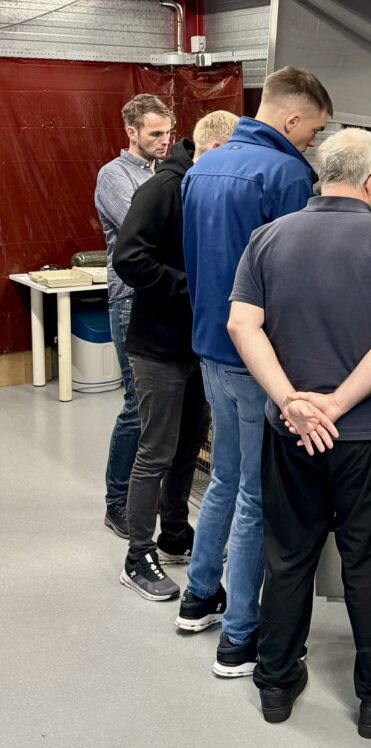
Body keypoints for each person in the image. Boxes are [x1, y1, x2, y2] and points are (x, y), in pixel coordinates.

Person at [227, 128, 371, 737]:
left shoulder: (270, 237)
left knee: (287, 559)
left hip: (290, 436)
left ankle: (276, 684)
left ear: (321, 175)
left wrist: (292, 403)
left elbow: (241, 325)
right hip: (368, 438)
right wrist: (335, 406)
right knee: (369, 565)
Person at [178, 68, 332, 675]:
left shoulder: (202, 167)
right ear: (291, 120)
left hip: (210, 348)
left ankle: (198, 597)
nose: (314, 144)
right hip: (259, 357)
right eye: (314, 132)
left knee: (223, 478)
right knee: (254, 495)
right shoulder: (288, 175)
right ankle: (240, 635)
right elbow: (295, 279)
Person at [113, 113, 237, 602]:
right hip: (158, 347)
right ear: (210, 148)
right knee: (156, 450)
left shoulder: (205, 188)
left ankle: (174, 532)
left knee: (188, 447)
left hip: (195, 345)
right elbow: (129, 258)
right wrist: (191, 290)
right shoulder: (163, 189)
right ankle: (137, 555)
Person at [95, 95, 173, 539]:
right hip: (131, 299)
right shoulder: (114, 176)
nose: (164, 142)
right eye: (154, 134)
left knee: (166, 410)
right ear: (131, 133)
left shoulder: (164, 173)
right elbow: (145, 234)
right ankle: (117, 502)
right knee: (136, 408)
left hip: (164, 299)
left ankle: (152, 498)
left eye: (167, 132)